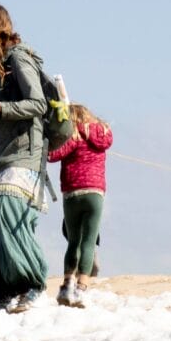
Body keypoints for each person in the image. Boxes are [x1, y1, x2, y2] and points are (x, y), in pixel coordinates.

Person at [0, 4, 52, 313]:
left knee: (9, 214)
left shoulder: (19, 58)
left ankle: (31, 286)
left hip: (24, 153)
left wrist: (2, 110)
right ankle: (1, 292)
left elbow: (38, 104)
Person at [48, 103, 113, 307]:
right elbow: (108, 140)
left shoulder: (72, 135)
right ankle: (82, 288)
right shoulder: (102, 134)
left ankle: (67, 285)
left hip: (72, 193)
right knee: (89, 241)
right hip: (95, 193)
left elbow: (52, 156)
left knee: (73, 241)